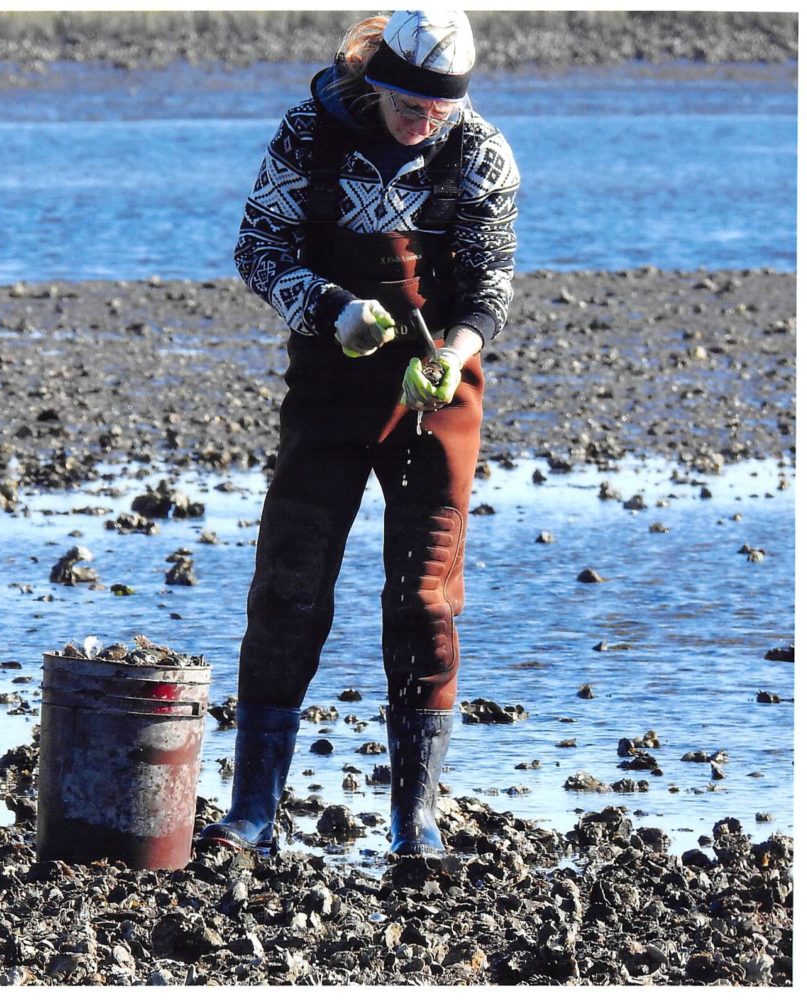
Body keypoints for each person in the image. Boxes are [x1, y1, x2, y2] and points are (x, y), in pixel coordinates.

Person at [198, 10, 519, 856]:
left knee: (423, 601)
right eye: (410, 105)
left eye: (438, 110)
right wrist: (331, 307)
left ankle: (415, 822)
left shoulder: (482, 152)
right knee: (288, 590)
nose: (424, 122)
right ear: (379, 80)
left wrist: (454, 351)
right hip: (331, 380)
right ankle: (254, 815)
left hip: (435, 392)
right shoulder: (311, 129)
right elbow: (258, 248)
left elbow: (489, 289)